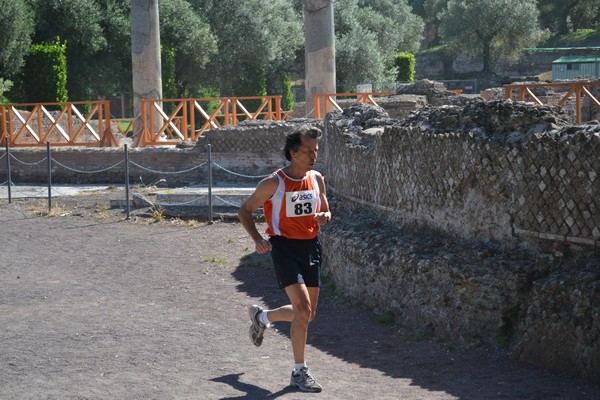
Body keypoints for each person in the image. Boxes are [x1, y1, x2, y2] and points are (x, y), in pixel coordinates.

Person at [238, 125, 332, 393]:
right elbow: (244, 211)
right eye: (308, 151)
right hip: (284, 248)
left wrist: (325, 217)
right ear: (293, 152)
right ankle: (299, 371)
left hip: (311, 247)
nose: (313, 156)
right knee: (302, 310)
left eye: (316, 151)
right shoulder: (273, 183)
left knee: (307, 314)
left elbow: (325, 210)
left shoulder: (317, 179)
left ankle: (262, 317)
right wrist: (257, 239)